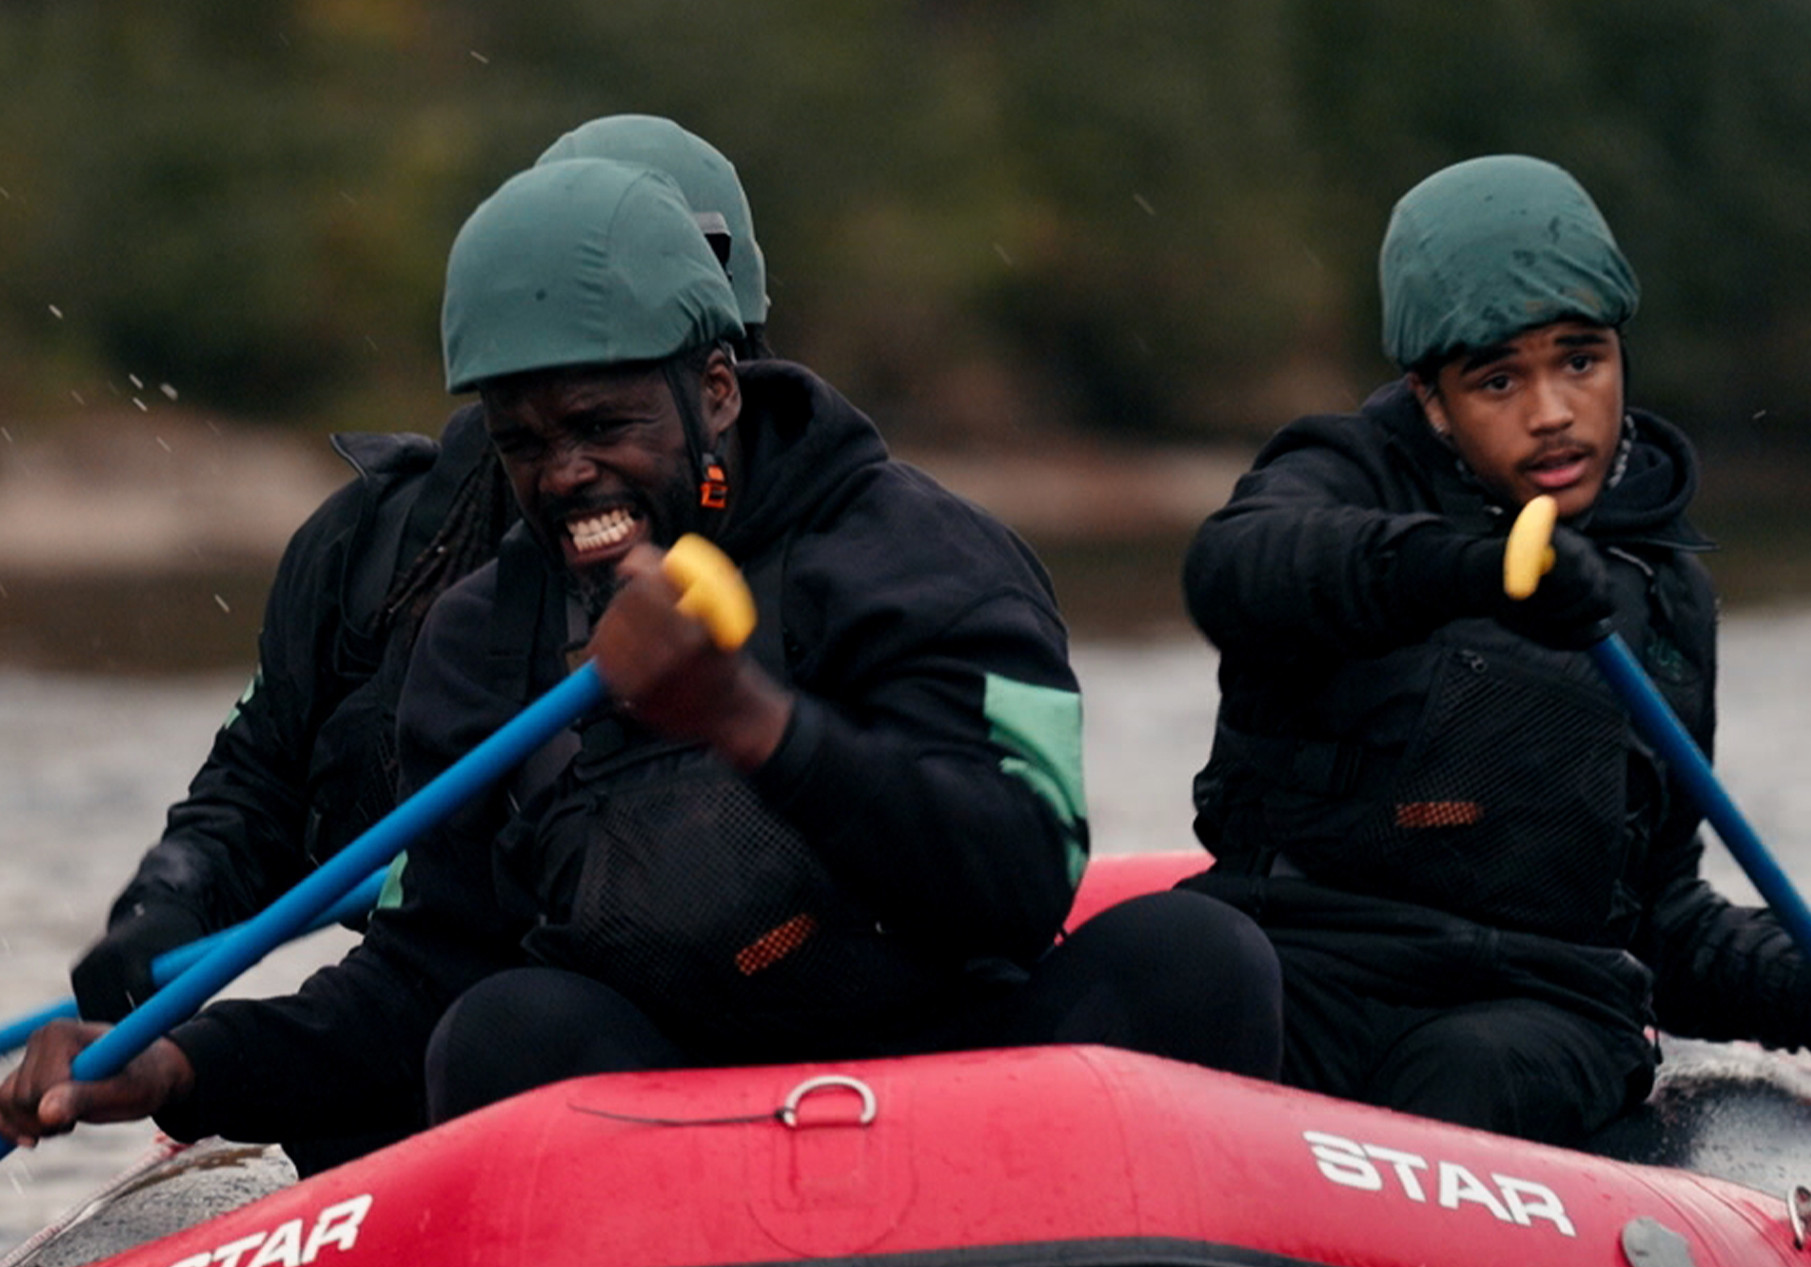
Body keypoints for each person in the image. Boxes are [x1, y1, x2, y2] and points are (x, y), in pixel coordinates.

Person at [6, 158, 1276, 1162]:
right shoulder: (482, 637)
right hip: (674, 1120)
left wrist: (747, 721)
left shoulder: (921, 553)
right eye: (525, 441)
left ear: (717, 389)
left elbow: (1012, 879)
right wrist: (179, 1067)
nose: (565, 475)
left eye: (604, 426)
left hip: (959, 1052)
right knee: (501, 1031)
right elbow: (421, 976)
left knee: (1193, 961)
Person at [1180, 153, 1811, 1146]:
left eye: (1578, 361)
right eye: (1496, 378)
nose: (1549, 412)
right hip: (1304, 960)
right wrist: (1470, 569)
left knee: (1468, 1076)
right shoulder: (1338, 480)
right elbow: (1232, 571)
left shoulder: (1661, 598)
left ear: (1619, 355)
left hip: (1530, 1011)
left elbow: (1660, 919)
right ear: (1430, 398)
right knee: (1166, 960)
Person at [67, 116, 772, 1024]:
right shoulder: (370, 548)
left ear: (722, 372)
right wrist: (167, 905)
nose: (574, 463)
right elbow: (256, 780)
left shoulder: (839, 545)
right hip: (421, 1025)